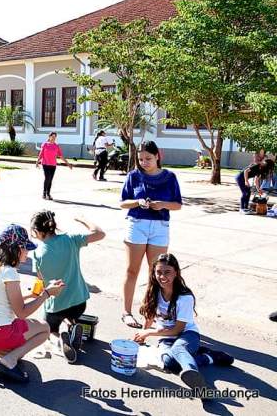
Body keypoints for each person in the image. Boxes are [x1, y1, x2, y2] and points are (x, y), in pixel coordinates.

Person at [0, 224, 64, 382]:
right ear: (16, 249)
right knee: (44, 328)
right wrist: (47, 294)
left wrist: (31, 296)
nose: (28, 252)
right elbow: (22, 313)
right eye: (26, 248)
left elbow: (0, 301)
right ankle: (9, 360)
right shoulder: (9, 272)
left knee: (19, 331)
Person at [134, 254, 233, 394]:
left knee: (178, 350)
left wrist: (149, 332)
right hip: (166, 337)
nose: (162, 276)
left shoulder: (184, 297)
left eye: (167, 272)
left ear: (176, 272)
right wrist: (142, 335)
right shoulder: (154, 290)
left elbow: (177, 330)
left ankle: (196, 380)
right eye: (159, 272)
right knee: (169, 363)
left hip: (187, 334)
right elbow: (150, 315)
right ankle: (209, 357)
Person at [119, 141, 183, 328]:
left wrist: (162, 204)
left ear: (158, 156)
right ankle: (127, 312)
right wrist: (137, 202)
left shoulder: (170, 177)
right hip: (137, 224)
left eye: (148, 158)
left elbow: (177, 204)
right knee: (132, 270)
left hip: (160, 226)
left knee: (155, 272)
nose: (144, 162)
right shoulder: (134, 176)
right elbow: (123, 202)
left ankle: (150, 312)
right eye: (140, 159)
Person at [30, 210, 105, 363]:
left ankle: (59, 339)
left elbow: (40, 280)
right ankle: (71, 326)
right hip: (79, 302)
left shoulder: (37, 253)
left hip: (55, 306)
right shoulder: (70, 239)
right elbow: (100, 233)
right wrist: (84, 219)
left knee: (49, 330)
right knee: (70, 315)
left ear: (36, 231)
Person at [36, 132, 73, 200]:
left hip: (53, 165)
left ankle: (48, 193)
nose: (53, 138)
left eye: (55, 137)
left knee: (50, 179)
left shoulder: (56, 146)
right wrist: (37, 162)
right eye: (52, 137)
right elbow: (41, 154)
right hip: (45, 164)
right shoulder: (45, 144)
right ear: (49, 137)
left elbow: (61, 156)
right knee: (47, 178)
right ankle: (44, 193)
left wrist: (68, 164)